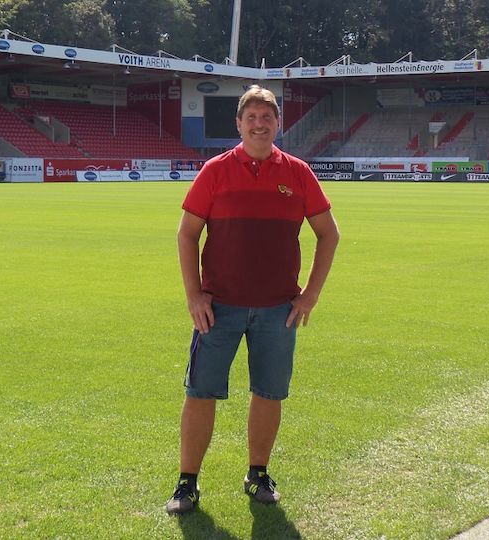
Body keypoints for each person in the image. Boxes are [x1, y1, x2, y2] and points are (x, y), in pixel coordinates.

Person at [166, 85, 340, 514]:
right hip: (218, 307)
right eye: (252, 118)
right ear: (239, 124)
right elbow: (187, 234)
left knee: (268, 393)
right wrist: (193, 294)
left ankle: (258, 473)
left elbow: (329, 234)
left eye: (267, 117)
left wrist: (310, 295)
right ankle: (187, 483)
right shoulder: (215, 170)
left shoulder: (298, 172)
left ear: (278, 123)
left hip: (278, 309)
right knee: (200, 393)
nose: (259, 124)